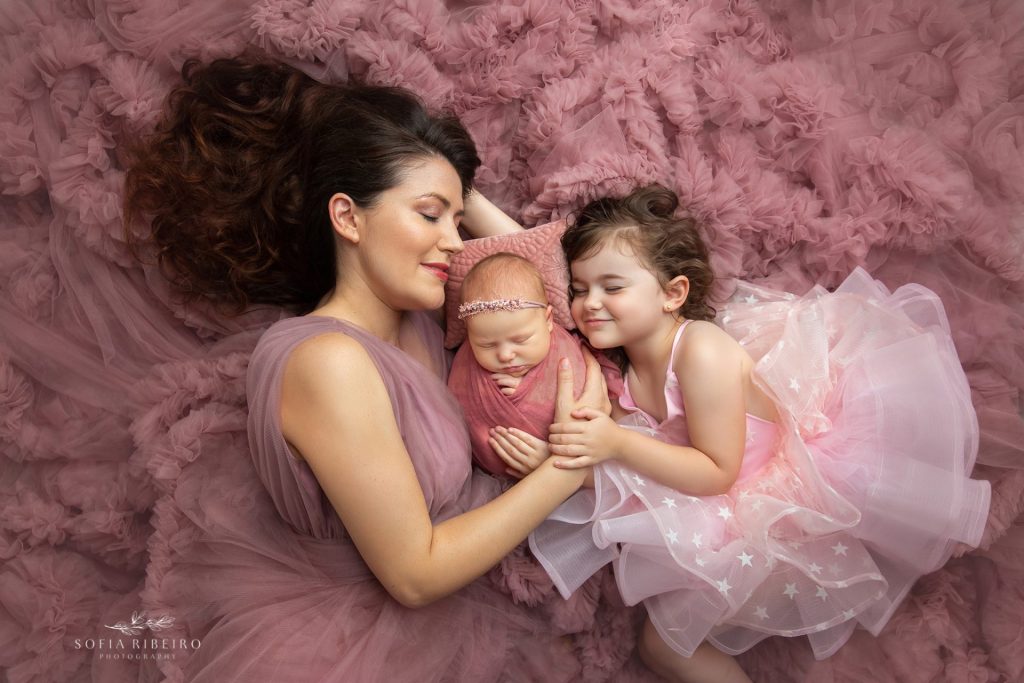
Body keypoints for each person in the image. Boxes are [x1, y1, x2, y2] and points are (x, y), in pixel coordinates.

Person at [121, 56, 626, 682]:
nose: (453, 240)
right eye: (429, 215)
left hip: (479, 615)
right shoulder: (326, 360)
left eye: (456, 216)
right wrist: (567, 465)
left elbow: (544, 276)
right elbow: (415, 574)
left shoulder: (428, 316)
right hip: (357, 646)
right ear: (346, 217)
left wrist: (441, 177)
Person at [518, 186, 991, 683]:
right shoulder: (623, 375)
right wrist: (554, 461)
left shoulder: (699, 349)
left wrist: (616, 443)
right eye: (578, 288)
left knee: (664, 645)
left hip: (778, 498)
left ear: (672, 294)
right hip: (712, 498)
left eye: (612, 287)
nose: (589, 303)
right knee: (662, 647)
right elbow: (634, 473)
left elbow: (717, 471)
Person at [448, 252, 622, 477]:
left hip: (571, 463)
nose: (506, 355)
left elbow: (577, 388)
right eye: (487, 345)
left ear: (548, 320)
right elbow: (462, 405)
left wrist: (529, 391)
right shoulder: (467, 364)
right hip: (499, 477)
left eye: (521, 340)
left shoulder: (563, 351)